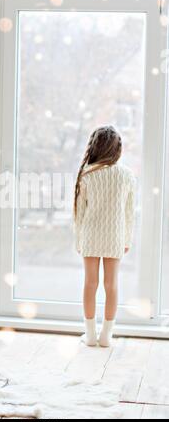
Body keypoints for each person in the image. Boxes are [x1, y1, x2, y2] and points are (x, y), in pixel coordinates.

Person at [74, 125, 136, 347]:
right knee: (112, 285)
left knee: (90, 283)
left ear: (95, 147)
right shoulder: (127, 175)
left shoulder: (87, 174)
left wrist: (78, 240)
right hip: (115, 235)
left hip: (91, 234)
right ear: (117, 149)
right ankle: (106, 336)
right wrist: (127, 239)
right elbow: (129, 213)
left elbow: (79, 213)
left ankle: (90, 335)